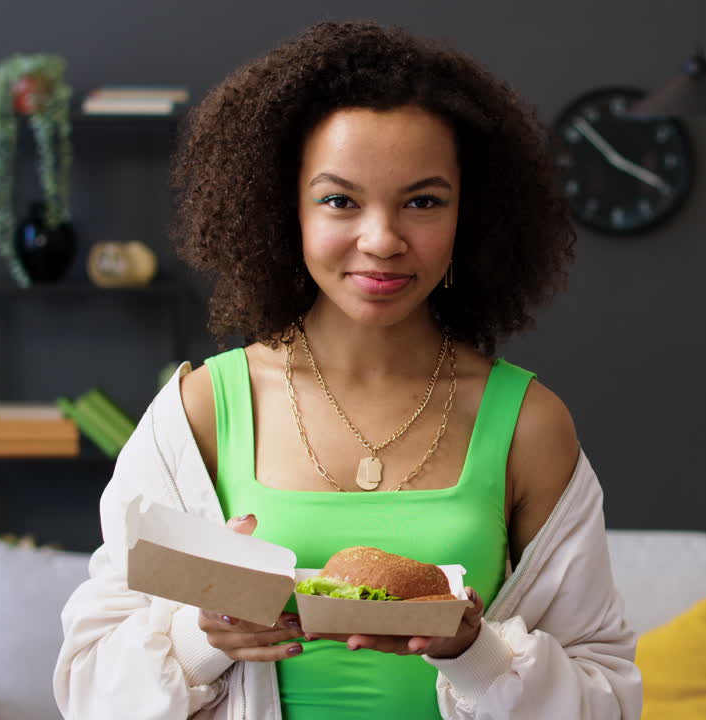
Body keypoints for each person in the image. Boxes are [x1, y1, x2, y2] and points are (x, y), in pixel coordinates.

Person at [53, 20, 641, 720]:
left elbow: (606, 697)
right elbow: (89, 690)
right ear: (284, 210)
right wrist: (200, 636)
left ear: (471, 215)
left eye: (423, 202)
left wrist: (473, 651)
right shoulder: (201, 410)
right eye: (340, 200)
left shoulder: (529, 425)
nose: (382, 239)